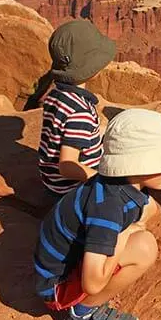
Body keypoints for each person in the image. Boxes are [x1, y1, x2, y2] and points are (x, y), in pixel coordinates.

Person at [34, 109, 161, 320]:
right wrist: (125, 233)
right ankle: (82, 315)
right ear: (136, 164)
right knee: (145, 247)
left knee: (148, 210)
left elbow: (150, 209)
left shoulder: (114, 183)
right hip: (57, 286)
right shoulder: (108, 209)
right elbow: (92, 284)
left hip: (61, 262)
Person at [38, 19, 116, 196]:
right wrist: (102, 181)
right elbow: (67, 166)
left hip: (50, 180)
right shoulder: (80, 112)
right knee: (142, 201)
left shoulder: (55, 94)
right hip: (73, 188)